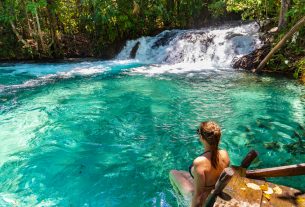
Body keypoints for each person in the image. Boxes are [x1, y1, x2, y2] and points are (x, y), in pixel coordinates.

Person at [169, 121, 230, 207]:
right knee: (181, 173)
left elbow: (198, 196)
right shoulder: (224, 154)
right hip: (213, 191)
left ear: (201, 137)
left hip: (204, 201)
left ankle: (180, 201)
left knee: (172, 173)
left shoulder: (200, 162)